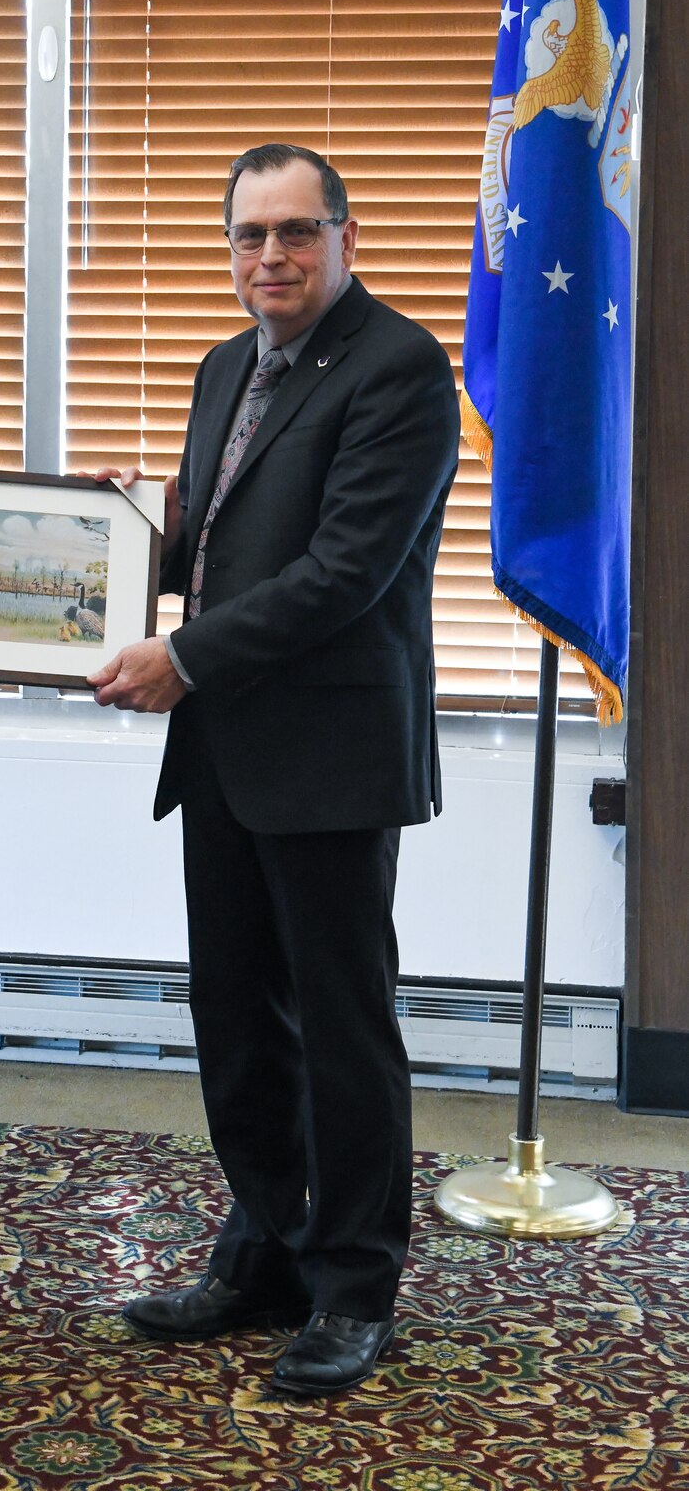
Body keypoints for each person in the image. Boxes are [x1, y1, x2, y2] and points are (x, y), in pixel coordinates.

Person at [89, 142, 459, 1399]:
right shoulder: (224, 364)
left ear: (346, 237)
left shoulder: (400, 368)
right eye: (249, 236)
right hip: (227, 755)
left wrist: (182, 656)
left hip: (331, 750)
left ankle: (353, 1285)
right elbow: (218, 536)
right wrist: (120, 536)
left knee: (343, 1029)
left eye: (297, 232)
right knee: (238, 1020)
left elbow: (344, 571)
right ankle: (262, 1249)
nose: (272, 258)